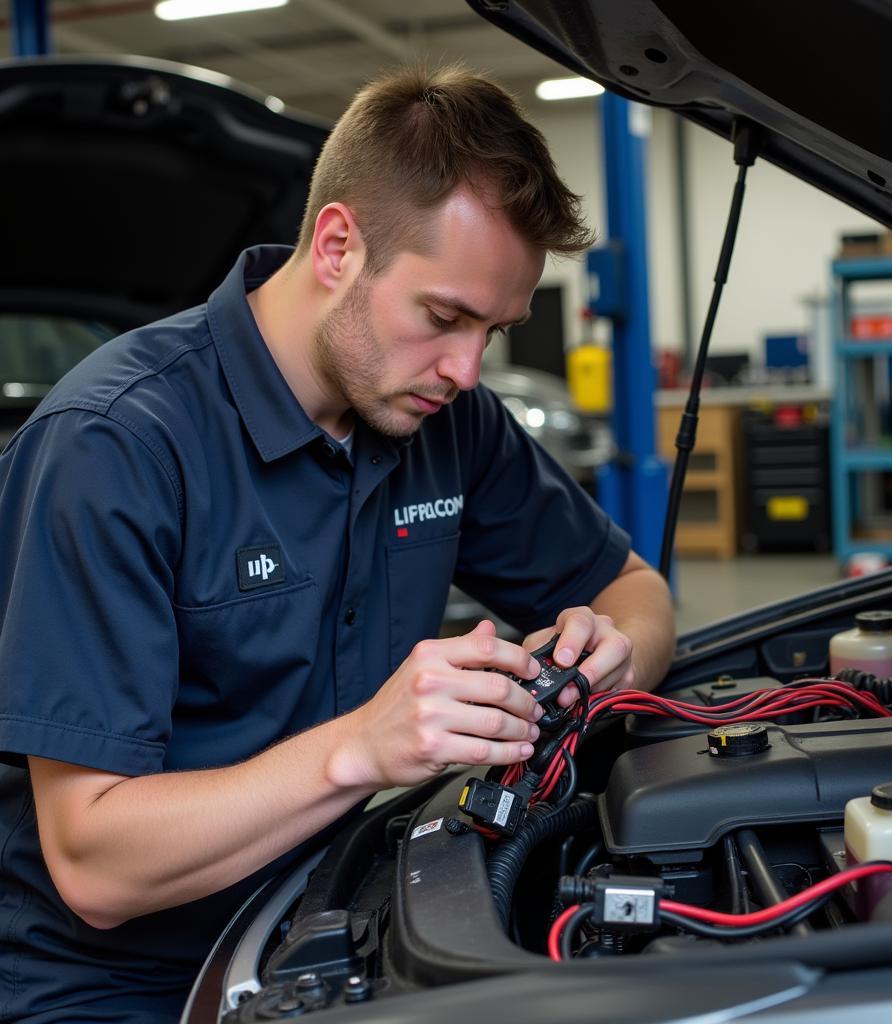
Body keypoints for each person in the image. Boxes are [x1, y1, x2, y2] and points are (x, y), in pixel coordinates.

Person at [0, 65, 674, 1021]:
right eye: (442, 317)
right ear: (336, 245)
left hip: (332, 921)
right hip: (116, 985)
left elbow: (636, 590)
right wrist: (368, 744)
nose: (465, 368)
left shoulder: (453, 424)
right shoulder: (115, 446)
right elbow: (93, 865)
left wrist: (606, 659)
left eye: (495, 329)